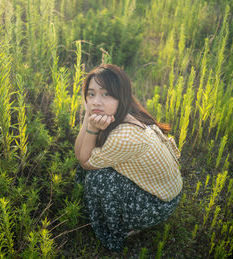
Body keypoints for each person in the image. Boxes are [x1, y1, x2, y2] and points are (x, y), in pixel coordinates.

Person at [74, 64, 182, 251]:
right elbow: (80, 155)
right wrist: (88, 117)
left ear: (120, 96)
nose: (96, 101)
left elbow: (84, 162)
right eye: (91, 94)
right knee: (92, 156)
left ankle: (117, 232)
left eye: (106, 94)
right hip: (163, 189)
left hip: (158, 204)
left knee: (98, 178)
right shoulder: (124, 113)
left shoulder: (124, 137)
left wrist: (91, 127)